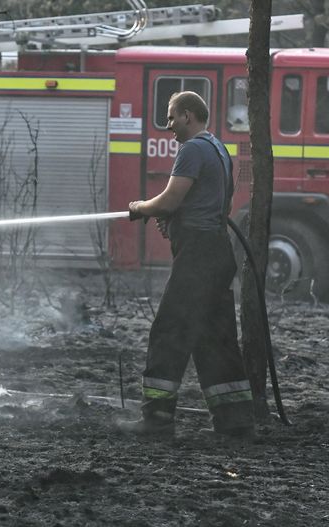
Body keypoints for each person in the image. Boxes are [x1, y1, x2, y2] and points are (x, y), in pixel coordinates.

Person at [120, 91, 255, 438]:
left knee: (170, 329)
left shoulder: (192, 149)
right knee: (216, 336)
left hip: (198, 256)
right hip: (217, 252)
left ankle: (157, 419)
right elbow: (204, 202)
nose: (169, 126)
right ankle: (235, 421)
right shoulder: (218, 148)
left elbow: (170, 199)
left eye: (172, 117)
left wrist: (140, 207)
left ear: (189, 115)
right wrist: (175, 217)